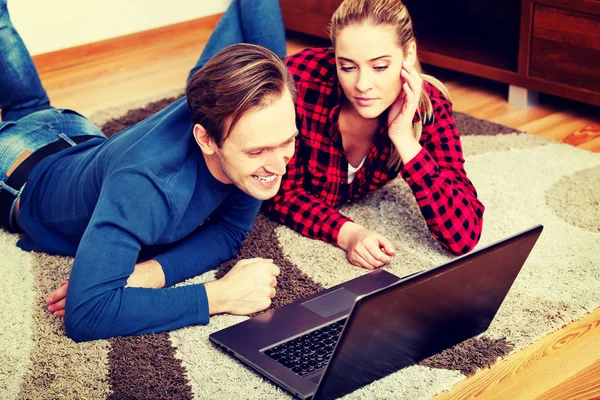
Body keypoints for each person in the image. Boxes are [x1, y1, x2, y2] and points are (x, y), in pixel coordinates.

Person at [0, 0, 297, 342]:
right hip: (16, 167)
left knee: (29, 107)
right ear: (205, 139)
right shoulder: (144, 186)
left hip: (77, 132)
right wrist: (218, 296)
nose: (278, 166)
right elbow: (87, 314)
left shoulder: (249, 112)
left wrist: (152, 273)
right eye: (257, 151)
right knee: (26, 110)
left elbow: (229, 231)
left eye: (289, 140)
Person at [263, 0, 485, 269]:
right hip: (259, 83)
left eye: (379, 67)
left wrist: (404, 138)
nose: (362, 85)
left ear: (409, 53)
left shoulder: (429, 107)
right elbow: (280, 193)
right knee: (212, 86)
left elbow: (463, 234)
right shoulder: (299, 85)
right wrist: (348, 234)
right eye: (347, 67)